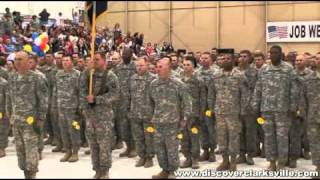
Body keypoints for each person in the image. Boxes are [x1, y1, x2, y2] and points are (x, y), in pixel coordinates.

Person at [251, 45, 299, 171]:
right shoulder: (264, 69)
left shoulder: (288, 69)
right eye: (271, 53)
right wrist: (255, 105)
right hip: (266, 109)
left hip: (283, 110)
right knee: (269, 137)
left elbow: (294, 89)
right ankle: (272, 162)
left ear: (281, 54)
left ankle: (281, 163)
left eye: (276, 53)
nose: (273, 55)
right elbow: (258, 88)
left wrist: (293, 107)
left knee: (282, 137)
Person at [6, 51, 48, 178]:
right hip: (17, 121)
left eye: (20, 59)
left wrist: (40, 118)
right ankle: (26, 174)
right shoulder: (12, 77)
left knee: (31, 152)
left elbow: (44, 100)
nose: (17, 62)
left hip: (31, 122)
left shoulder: (37, 78)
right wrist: (10, 115)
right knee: (21, 153)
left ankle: (32, 175)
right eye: (15, 59)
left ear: (27, 61)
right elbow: (9, 97)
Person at [150, 56, 192, 179]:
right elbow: (151, 102)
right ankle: (164, 169)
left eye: (161, 67)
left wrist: (184, 118)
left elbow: (187, 102)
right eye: (157, 67)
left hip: (173, 122)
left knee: (172, 148)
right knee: (159, 147)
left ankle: (173, 171)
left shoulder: (178, 84)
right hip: (158, 121)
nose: (158, 69)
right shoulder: (153, 84)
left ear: (169, 67)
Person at [80, 52, 120, 179]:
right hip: (90, 117)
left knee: (104, 145)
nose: (94, 62)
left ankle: (105, 170)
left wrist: (97, 99)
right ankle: (96, 169)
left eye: (97, 59)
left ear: (104, 61)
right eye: (93, 60)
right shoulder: (88, 75)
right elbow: (81, 90)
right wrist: (87, 70)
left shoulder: (110, 76)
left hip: (104, 117)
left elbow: (115, 95)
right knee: (93, 145)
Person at [207, 53, 248, 171]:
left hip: (234, 112)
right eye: (223, 59)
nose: (225, 61)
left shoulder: (239, 75)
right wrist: (211, 108)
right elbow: (211, 93)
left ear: (233, 60)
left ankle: (233, 161)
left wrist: (242, 109)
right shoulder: (216, 75)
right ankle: (225, 161)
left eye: (228, 59)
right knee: (221, 137)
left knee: (234, 137)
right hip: (219, 111)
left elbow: (245, 94)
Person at [128, 57, 156, 168]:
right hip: (135, 113)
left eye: (141, 65)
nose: (139, 67)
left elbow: (156, 98)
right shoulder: (133, 78)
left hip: (148, 114)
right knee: (138, 137)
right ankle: (142, 156)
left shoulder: (153, 79)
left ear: (147, 65)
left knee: (149, 137)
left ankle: (149, 157)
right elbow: (130, 95)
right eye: (137, 66)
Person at [53, 55, 81, 163]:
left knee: (74, 130)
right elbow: (56, 90)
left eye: (67, 60)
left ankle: (75, 152)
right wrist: (55, 104)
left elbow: (81, 91)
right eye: (63, 60)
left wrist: (80, 106)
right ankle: (68, 150)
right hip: (61, 108)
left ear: (71, 62)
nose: (65, 62)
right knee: (64, 130)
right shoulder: (58, 74)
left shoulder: (77, 74)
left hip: (73, 108)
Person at [288, 55, 313, 168]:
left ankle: (307, 150)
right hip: (294, 108)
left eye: (300, 60)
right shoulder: (291, 74)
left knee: (307, 133)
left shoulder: (311, 74)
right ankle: (294, 157)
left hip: (308, 108)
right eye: (297, 60)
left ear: (306, 61)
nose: (298, 62)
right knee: (294, 134)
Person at [112, 48, 137, 158]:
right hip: (121, 102)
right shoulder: (118, 68)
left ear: (131, 55)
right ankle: (128, 147)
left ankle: (135, 148)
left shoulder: (136, 67)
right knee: (123, 127)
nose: (125, 55)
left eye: (127, 53)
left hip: (134, 101)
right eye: (124, 54)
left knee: (133, 126)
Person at [179, 56, 202, 169]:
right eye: (184, 65)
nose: (186, 67)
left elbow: (202, 97)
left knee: (194, 136)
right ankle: (187, 157)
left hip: (194, 113)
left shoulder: (198, 79)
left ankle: (195, 159)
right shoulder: (179, 79)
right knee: (183, 137)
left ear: (193, 66)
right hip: (182, 113)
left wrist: (201, 112)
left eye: (188, 65)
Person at [236, 50, 258, 165]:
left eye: (245, 56)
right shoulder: (235, 71)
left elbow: (257, 89)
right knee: (239, 132)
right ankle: (241, 154)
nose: (243, 59)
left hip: (250, 107)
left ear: (250, 58)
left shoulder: (255, 72)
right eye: (241, 56)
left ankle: (250, 155)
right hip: (236, 107)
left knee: (250, 132)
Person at [196, 52, 218, 162]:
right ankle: (205, 150)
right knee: (202, 129)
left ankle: (213, 151)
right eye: (202, 58)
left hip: (211, 106)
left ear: (211, 60)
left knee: (211, 129)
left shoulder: (216, 72)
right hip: (200, 106)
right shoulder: (197, 73)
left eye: (206, 58)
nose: (204, 60)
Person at [301, 61, 320, 177]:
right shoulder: (309, 79)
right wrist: (304, 114)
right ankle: (319, 167)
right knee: (315, 143)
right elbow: (302, 98)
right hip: (313, 116)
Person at [0, 68, 8, 158]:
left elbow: (8, 98)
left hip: (2, 110)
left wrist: (7, 111)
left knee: (2, 129)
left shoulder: (4, 83)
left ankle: (1, 148)